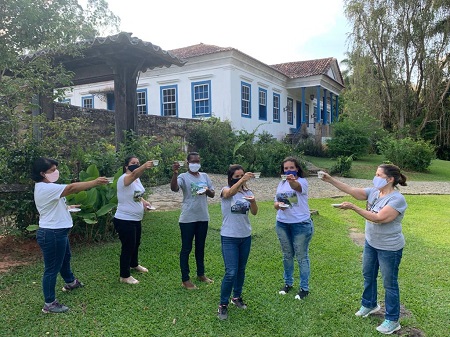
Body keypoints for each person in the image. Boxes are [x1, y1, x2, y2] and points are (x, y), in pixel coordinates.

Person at [320, 164, 407, 335]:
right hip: (371, 243)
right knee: (368, 275)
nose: (375, 177)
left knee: (389, 284)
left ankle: (392, 320)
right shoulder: (375, 191)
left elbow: (379, 218)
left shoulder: (397, 199)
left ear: (390, 179)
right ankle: (370, 304)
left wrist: (353, 207)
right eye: (375, 173)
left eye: (378, 175)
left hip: (389, 248)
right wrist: (330, 179)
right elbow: (352, 190)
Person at [32, 157, 109, 313]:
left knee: (65, 259)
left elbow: (53, 205)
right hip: (52, 233)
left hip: (58, 231)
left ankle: (70, 282)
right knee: (51, 268)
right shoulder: (45, 188)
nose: (55, 172)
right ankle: (49, 303)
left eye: (55, 169)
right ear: (42, 173)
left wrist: (68, 207)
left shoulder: (48, 187)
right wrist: (94, 182)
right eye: (52, 170)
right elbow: (73, 187)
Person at [217, 165, 258, 320]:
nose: (241, 178)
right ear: (231, 177)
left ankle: (236, 297)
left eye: (242, 175)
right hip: (229, 237)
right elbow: (230, 193)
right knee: (231, 272)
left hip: (245, 236)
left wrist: (253, 201)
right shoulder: (225, 189)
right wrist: (242, 180)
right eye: (237, 176)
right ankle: (222, 304)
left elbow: (254, 212)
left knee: (241, 270)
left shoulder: (248, 192)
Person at [170, 152, 215, 289]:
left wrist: (207, 190)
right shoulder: (183, 177)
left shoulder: (205, 176)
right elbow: (174, 188)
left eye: (198, 161)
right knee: (186, 248)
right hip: (188, 218)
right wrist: (175, 173)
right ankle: (185, 279)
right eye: (193, 161)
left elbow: (212, 194)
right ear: (188, 163)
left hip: (203, 217)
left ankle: (201, 274)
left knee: (200, 247)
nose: (196, 163)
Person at [274, 156, 314, 300]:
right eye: (286, 168)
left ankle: (304, 288)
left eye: (292, 167)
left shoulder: (302, 182)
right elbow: (275, 203)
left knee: (301, 257)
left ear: (297, 168)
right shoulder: (281, 183)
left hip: (300, 225)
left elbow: (295, 187)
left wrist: (292, 180)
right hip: (282, 223)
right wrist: (278, 205)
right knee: (287, 255)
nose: (289, 170)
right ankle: (288, 283)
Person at [113, 155, 154, 285]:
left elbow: (137, 195)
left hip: (136, 218)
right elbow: (133, 176)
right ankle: (124, 276)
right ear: (126, 166)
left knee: (136, 243)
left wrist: (144, 202)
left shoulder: (137, 180)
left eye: (138, 162)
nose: (136, 164)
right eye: (133, 163)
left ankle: (134, 264)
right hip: (124, 219)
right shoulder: (124, 178)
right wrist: (143, 167)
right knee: (128, 247)